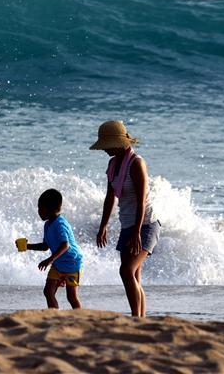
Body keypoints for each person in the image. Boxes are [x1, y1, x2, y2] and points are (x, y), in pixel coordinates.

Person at [90, 120, 160, 317]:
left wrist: (137, 232)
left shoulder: (137, 163)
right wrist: (103, 226)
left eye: (106, 145)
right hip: (128, 224)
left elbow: (141, 201)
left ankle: (136, 318)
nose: (104, 150)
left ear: (118, 143)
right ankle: (141, 319)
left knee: (126, 271)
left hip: (145, 224)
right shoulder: (113, 164)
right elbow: (109, 197)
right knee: (134, 276)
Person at [22, 189, 84, 310]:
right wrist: (27, 246)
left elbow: (65, 245)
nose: (38, 211)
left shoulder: (60, 224)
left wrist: (49, 260)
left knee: (71, 297)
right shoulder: (48, 224)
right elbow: (45, 246)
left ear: (49, 209)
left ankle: (80, 318)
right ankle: (54, 315)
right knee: (48, 292)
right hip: (58, 264)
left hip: (72, 264)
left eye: (40, 208)